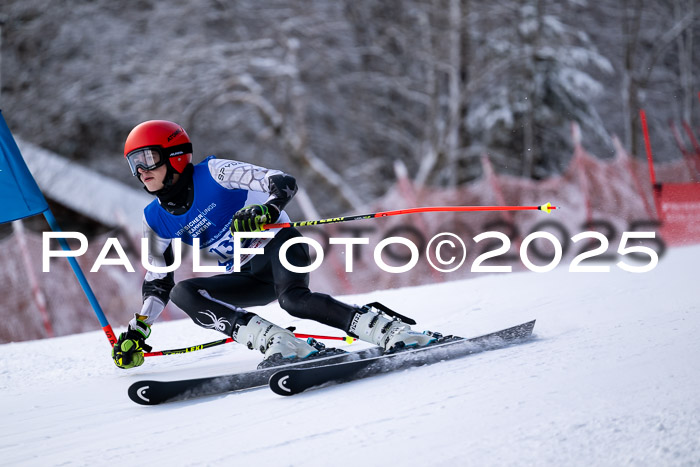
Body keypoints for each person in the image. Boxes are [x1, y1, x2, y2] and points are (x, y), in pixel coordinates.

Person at [112, 120, 437, 369]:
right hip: (248, 273)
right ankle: (282, 343)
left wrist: (267, 207)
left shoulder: (214, 172)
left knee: (294, 301)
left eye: (148, 159)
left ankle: (393, 332)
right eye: (134, 164)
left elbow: (281, 181)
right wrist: (139, 329)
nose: (141, 172)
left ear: (176, 156)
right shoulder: (154, 218)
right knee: (183, 292)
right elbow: (158, 281)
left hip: (278, 245)